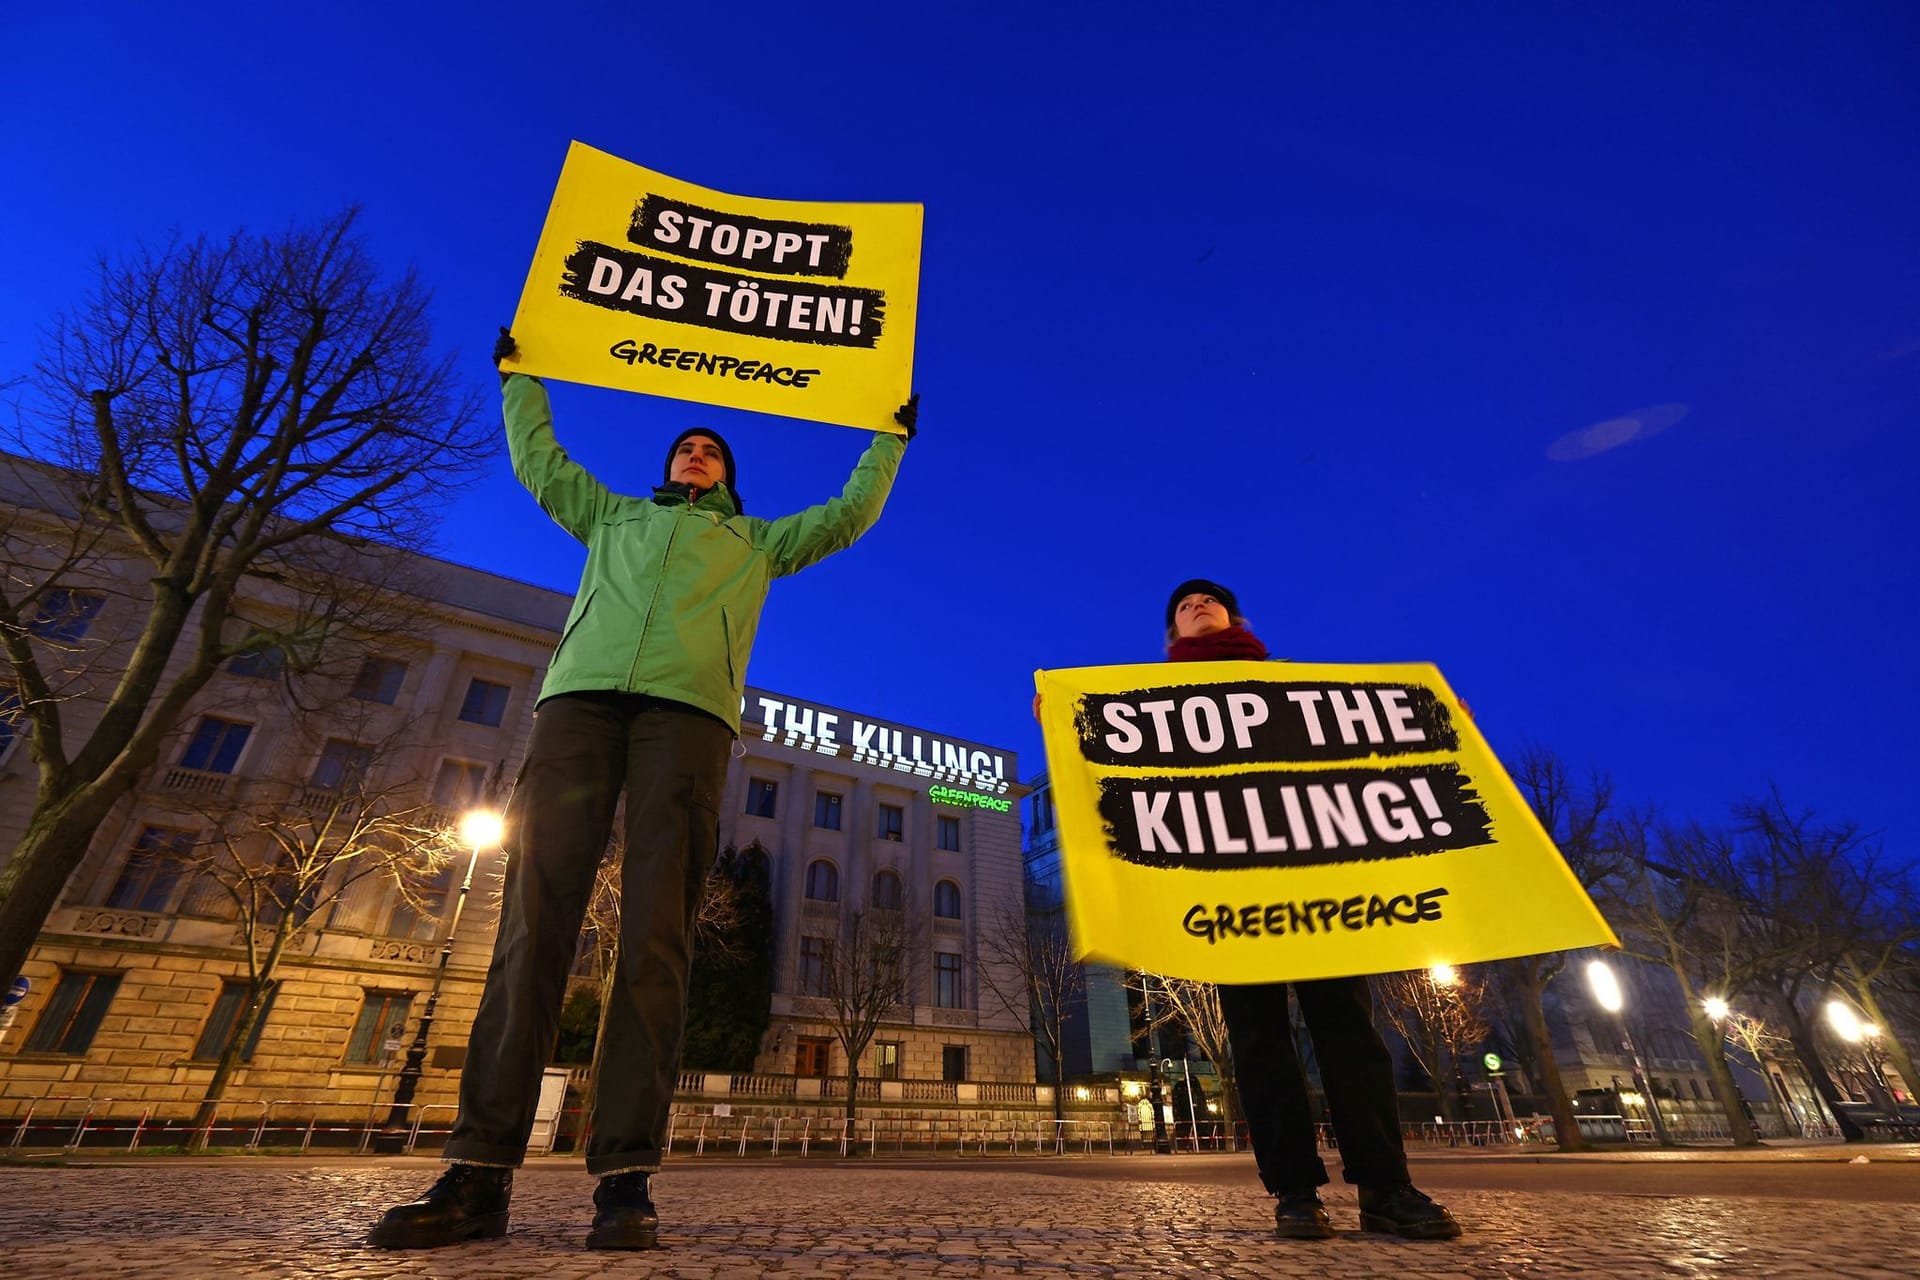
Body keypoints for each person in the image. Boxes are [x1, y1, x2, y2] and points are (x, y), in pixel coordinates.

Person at [368, 331, 916, 1251]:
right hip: (578, 707)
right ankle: (477, 1174)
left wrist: (887, 439)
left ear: (729, 479)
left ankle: (625, 1179)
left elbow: (848, 512)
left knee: (656, 935)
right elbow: (541, 463)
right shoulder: (611, 516)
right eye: (684, 447)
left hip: (688, 718)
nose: (695, 453)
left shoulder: (757, 542)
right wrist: (521, 377)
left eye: (711, 450)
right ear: (667, 467)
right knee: (532, 926)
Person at [1163, 578, 1463, 1241]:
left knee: (1350, 1033)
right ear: (1171, 638)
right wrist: (1068, 723)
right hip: (1231, 888)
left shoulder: (1295, 684)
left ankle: (1386, 1186)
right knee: (1260, 1042)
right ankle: (1295, 1194)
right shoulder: (1152, 703)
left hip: (1318, 881)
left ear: (1234, 618)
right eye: (1184, 606)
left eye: (1208, 600)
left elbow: (1363, 741)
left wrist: (1433, 722)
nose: (1197, 607)